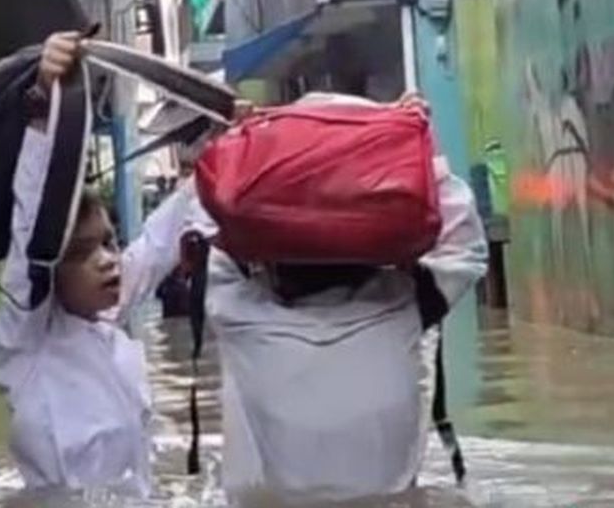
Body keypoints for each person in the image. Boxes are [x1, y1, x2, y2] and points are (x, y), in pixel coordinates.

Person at [203, 91, 489, 505]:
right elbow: (466, 241)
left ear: (266, 262)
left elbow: (218, 223)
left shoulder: (240, 316)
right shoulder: (404, 306)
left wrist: (240, 144)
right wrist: (415, 141)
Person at [0, 31, 225, 495]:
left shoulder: (107, 321)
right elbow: (31, 223)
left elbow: (159, 239)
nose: (109, 261)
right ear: (50, 270)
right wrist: (43, 106)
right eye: (84, 252)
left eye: (109, 243)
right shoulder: (23, 344)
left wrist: (228, 155)